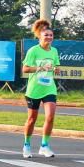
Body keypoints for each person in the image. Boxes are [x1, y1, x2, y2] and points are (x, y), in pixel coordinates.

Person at [22, 19, 59, 158]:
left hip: (49, 88)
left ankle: (44, 145)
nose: (49, 37)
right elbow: (25, 69)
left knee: (50, 116)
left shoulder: (54, 51)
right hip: (34, 90)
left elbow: (56, 65)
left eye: (51, 35)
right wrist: (40, 68)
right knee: (32, 119)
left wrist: (56, 69)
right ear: (40, 36)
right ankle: (26, 145)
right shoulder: (33, 51)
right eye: (46, 35)